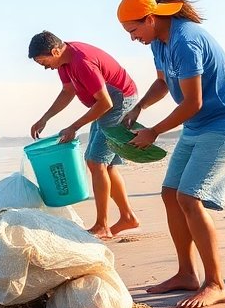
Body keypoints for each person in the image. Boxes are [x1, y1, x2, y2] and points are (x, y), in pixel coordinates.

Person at [117, 0, 225, 308]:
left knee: (189, 197)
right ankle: (185, 274)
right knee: (170, 193)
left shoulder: (185, 41)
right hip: (197, 125)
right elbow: (164, 83)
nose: (133, 38)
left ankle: (216, 283)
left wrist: (153, 131)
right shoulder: (160, 43)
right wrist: (140, 108)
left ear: (151, 19)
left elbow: (193, 102)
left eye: (134, 31)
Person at [28, 31, 141, 240]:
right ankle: (127, 217)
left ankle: (102, 225)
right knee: (106, 165)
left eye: (44, 62)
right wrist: (45, 118)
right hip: (106, 102)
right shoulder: (63, 62)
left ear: (55, 51)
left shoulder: (82, 62)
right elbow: (67, 92)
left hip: (119, 99)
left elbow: (106, 102)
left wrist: (74, 127)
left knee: (95, 162)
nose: (45, 67)